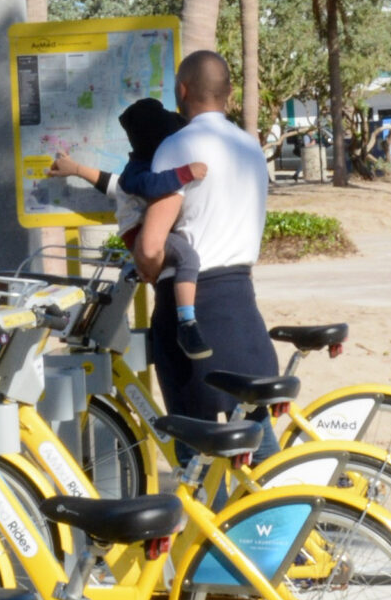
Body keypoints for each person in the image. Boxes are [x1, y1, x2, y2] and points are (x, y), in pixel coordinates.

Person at [131, 51, 279, 449]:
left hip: (192, 315)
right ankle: (285, 511)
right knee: (256, 442)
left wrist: (148, 267)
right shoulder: (249, 147)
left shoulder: (177, 147)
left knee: (196, 452)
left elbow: (149, 246)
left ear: (182, 90)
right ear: (229, 93)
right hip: (242, 305)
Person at [48, 99, 212, 358]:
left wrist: (76, 169)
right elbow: (148, 185)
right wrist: (184, 174)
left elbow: (111, 185)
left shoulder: (139, 166)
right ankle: (187, 324)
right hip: (138, 234)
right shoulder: (141, 172)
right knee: (187, 259)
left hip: (139, 233)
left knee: (170, 265)